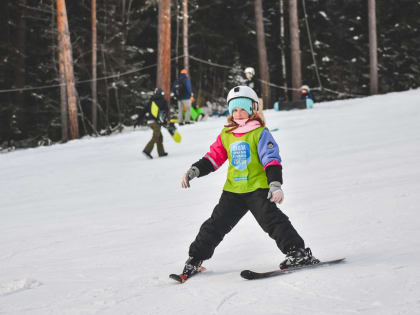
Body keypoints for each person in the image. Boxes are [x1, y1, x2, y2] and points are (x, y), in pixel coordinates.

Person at [177, 85, 319, 279]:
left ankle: (297, 253)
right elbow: (213, 158)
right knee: (215, 225)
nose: (238, 113)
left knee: (273, 221)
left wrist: (275, 184)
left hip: (257, 189)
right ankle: (195, 258)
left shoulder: (260, 133)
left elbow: (271, 160)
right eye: (234, 109)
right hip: (233, 191)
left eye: (243, 108)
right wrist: (195, 170)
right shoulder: (227, 134)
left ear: (253, 109)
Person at [142, 88, 169, 159]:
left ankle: (161, 152)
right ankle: (146, 151)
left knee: (159, 137)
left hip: (150, 121)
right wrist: (165, 120)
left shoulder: (152, 100)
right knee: (155, 136)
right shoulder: (162, 100)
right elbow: (164, 112)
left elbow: (146, 109)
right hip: (155, 122)